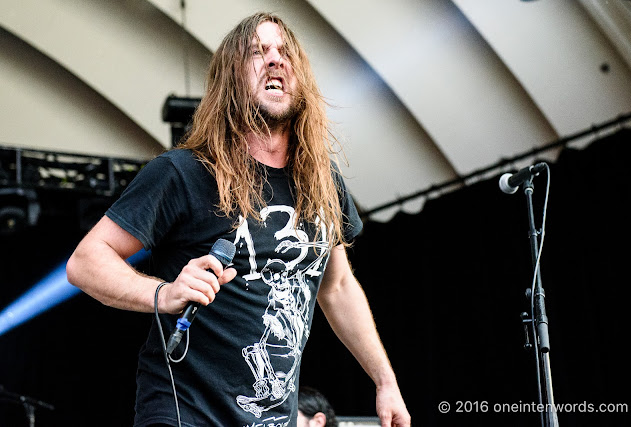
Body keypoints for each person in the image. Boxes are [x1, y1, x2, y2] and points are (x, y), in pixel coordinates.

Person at [66, 12, 410, 427]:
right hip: (185, 412)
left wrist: (385, 381)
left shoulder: (322, 180)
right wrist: (164, 292)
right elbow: (85, 262)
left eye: (285, 52)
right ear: (231, 79)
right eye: (258, 52)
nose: (275, 59)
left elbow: (336, 287)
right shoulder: (186, 172)